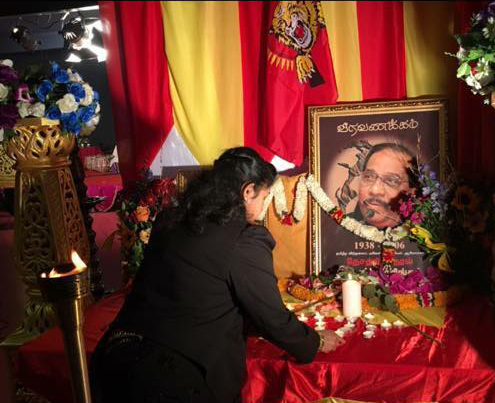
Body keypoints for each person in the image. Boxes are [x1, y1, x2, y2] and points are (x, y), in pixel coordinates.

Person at [90, 147, 344, 403]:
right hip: (175, 376)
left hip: (116, 359)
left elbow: (198, 290)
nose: (262, 208)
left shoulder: (169, 219)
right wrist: (314, 342)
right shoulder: (244, 238)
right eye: (264, 197)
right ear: (248, 191)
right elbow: (270, 316)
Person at [349, 143, 414, 229]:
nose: (375, 190)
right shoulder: (340, 226)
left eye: (391, 180)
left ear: (412, 192)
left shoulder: (424, 231)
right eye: (369, 177)